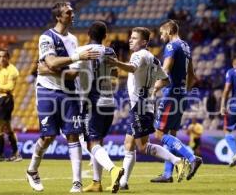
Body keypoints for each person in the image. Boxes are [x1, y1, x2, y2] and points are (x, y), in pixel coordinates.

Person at [26, 2, 99, 192]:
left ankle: (77, 182)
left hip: (69, 92)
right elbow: (51, 61)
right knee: (48, 136)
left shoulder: (74, 40)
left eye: (72, 12)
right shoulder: (46, 37)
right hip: (47, 91)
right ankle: (32, 170)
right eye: (68, 13)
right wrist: (74, 59)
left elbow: (70, 73)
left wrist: (47, 70)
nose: (72, 15)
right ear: (59, 17)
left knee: (73, 135)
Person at [107, 27, 187, 190]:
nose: (130, 40)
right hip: (145, 104)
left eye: (135, 38)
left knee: (143, 146)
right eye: (131, 37)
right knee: (129, 144)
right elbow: (166, 80)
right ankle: (123, 183)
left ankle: (178, 161)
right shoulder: (153, 58)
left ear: (144, 42)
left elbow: (131, 67)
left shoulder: (138, 55)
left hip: (140, 107)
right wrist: (149, 91)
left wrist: (116, 63)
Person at [71, 21, 124, 193]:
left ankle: (113, 169)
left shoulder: (81, 51)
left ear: (88, 33)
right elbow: (115, 73)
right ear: (105, 36)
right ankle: (96, 183)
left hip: (91, 102)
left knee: (91, 144)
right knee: (98, 142)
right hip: (109, 101)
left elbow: (72, 74)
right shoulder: (110, 51)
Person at [151, 20, 202, 183]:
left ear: (170, 31)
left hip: (171, 95)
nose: (161, 36)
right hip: (181, 95)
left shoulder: (172, 46)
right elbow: (192, 76)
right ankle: (167, 174)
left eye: (162, 32)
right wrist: (183, 91)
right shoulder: (186, 47)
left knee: (159, 134)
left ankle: (192, 158)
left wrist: (155, 86)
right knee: (171, 134)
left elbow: (165, 69)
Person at [0, 49, 22, 162]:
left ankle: (0, 154)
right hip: (1, 100)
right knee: (7, 128)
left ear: (8, 58)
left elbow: (10, 87)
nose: (1, 59)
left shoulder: (12, 70)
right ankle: (15, 154)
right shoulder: (2, 71)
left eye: (3, 57)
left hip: (6, 100)